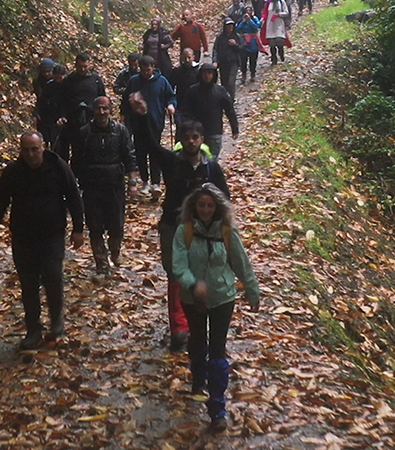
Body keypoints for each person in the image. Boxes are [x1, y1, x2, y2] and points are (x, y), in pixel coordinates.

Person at [0, 132, 86, 350]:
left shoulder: (58, 167)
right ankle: (33, 329)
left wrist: (79, 228)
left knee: (53, 276)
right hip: (23, 238)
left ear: (42, 147)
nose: (31, 154)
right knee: (28, 284)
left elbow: (73, 196)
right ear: (21, 151)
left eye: (35, 149)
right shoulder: (13, 172)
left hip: (52, 236)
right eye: (26, 150)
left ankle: (56, 319)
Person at [172, 184, 259, 430]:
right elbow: (178, 265)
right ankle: (198, 379)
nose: (206, 210)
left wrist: (252, 291)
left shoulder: (227, 232)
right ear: (194, 207)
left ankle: (217, 407)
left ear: (217, 208)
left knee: (218, 348)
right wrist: (193, 283)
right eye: (202, 205)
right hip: (192, 299)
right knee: (198, 341)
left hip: (222, 296)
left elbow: (242, 263)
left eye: (210, 206)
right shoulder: (184, 231)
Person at [146, 122, 229, 351]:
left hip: (202, 232)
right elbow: (150, 146)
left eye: (195, 137)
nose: (191, 141)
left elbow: (225, 200)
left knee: (199, 275)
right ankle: (179, 327)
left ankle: (196, 325)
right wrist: (143, 118)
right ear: (181, 140)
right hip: (173, 227)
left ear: (202, 139)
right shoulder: (172, 163)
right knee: (175, 275)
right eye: (187, 137)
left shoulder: (211, 169)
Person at [57, 96, 138, 276]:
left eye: (105, 109)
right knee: (95, 226)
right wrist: (74, 186)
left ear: (111, 110)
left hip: (115, 185)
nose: (102, 113)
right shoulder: (84, 132)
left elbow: (130, 156)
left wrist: (132, 181)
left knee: (116, 224)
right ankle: (101, 262)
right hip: (92, 186)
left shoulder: (121, 131)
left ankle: (115, 252)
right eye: (98, 109)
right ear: (93, 111)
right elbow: (76, 160)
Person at [121, 55, 177, 198]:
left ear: (153, 67)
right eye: (144, 70)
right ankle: (145, 181)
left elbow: (170, 96)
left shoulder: (162, 81)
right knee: (140, 152)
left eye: (148, 69)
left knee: (155, 151)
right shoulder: (134, 81)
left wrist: (171, 106)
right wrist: (124, 114)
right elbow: (126, 100)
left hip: (155, 121)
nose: (146, 72)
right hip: (137, 122)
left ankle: (156, 182)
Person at [178, 62, 237, 158]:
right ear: (200, 74)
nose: (207, 76)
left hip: (214, 130)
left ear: (214, 75)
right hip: (196, 132)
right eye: (205, 73)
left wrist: (234, 128)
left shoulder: (220, 90)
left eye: (210, 73)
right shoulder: (192, 91)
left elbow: (229, 109)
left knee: (212, 159)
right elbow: (185, 111)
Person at [55, 51, 108, 147]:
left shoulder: (96, 79)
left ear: (89, 65)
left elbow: (102, 98)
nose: (82, 69)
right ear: (75, 65)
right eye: (80, 67)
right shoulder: (69, 80)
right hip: (73, 120)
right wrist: (62, 115)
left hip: (92, 118)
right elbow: (62, 100)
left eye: (85, 66)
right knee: (77, 147)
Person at [211, 19, 241, 98]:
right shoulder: (220, 37)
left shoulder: (236, 36)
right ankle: (225, 99)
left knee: (231, 83)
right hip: (223, 63)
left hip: (233, 62)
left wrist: (235, 45)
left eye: (231, 25)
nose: (230, 27)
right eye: (228, 25)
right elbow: (215, 49)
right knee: (224, 84)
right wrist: (215, 61)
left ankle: (231, 100)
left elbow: (242, 49)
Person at [235, 7, 263, 84]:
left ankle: (252, 74)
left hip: (253, 42)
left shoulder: (255, 19)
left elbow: (257, 27)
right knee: (243, 60)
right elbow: (237, 28)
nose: (248, 12)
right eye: (246, 11)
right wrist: (244, 21)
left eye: (250, 10)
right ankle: (243, 74)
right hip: (243, 42)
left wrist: (250, 21)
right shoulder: (241, 20)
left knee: (253, 60)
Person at [265, 0, 292, 65]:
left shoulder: (281, 2)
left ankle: (281, 54)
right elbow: (265, 12)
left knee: (279, 40)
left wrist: (279, 14)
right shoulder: (268, 2)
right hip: (270, 24)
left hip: (279, 23)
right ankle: (274, 59)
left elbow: (286, 12)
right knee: (271, 43)